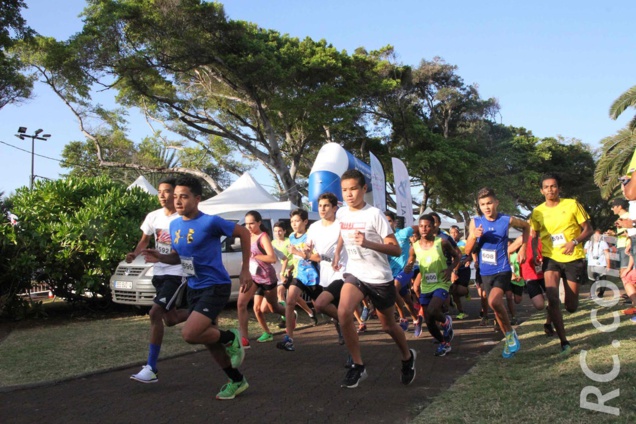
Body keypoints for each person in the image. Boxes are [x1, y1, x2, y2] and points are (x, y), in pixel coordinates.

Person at [142, 175, 252, 400]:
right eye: (175, 197)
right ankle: (237, 380)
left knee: (191, 333)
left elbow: (245, 233)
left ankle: (230, 338)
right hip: (194, 286)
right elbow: (179, 258)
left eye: (183, 196)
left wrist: (245, 269)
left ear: (197, 198)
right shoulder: (174, 225)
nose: (178, 201)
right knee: (206, 340)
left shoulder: (211, 222)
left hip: (215, 285)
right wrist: (161, 257)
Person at [333, 169, 416, 388]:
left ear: (364, 189)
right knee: (343, 312)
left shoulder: (374, 215)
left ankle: (407, 357)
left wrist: (368, 243)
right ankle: (358, 366)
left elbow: (396, 250)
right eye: (344, 190)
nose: (348, 194)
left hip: (380, 278)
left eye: (353, 189)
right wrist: (336, 253)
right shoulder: (342, 213)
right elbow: (343, 233)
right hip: (356, 273)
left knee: (388, 326)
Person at [127, 178, 189, 384]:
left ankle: (151, 368)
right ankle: (203, 312)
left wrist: (162, 257)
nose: (162, 195)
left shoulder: (183, 219)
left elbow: (182, 252)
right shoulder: (153, 216)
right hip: (159, 272)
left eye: (167, 191)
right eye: (160, 192)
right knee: (169, 319)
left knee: (155, 312)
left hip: (177, 272)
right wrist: (134, 254)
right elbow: (144, 240)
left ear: (175, 194)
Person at [529, 173, 592, 355]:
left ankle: (556, 316)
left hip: (573, 257)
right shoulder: (538, 211)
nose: (550, 189)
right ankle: (564, 341)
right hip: (551, 258)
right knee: (553, 298)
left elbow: (588, 229)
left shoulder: (572, 204)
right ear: (541, 191)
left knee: (571, 306)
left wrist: (574, 242)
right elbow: (534, 235)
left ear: (559, 188)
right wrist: (534, 253)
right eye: (546, 187)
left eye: (553, 186)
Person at [465, 187, 530, 359]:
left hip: (502, 269)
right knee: (495, 307)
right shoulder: (476, 222)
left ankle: (510, 335)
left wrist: (523, 248)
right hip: (485, 271)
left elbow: (527, 227)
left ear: (496, 202)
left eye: (489, 203)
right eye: (483, 204)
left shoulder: (506, 220)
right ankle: (510, 338)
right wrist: (473, 236)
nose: (486, 207)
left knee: (494, 301)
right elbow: (467, 249)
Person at [409, 214, 460, 356]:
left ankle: (446, 321)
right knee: (429, 320)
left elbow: (457, 256)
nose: (424, 229)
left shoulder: (442, 242)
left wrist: (451, 269)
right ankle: (444, 343)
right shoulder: (415, 246)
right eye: (421, 226)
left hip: (441, 282)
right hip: (426, 285)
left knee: (432, 309)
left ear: (433, 227)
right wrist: (408, 267)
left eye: (427, 226)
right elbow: (411, 260)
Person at [237, 211, 286, 347]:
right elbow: (245, 256)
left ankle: (290, 314)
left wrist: (255, 256)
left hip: (266, 277)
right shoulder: (245, 236)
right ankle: (244, 339)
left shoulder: (263, 237)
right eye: (246, 224)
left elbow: (272, 258)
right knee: (242, 304)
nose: (249, 226)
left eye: (252, 223)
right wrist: (245, 266)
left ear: (259, 223)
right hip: (252, 276)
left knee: (273, 307)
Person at [276, 208, 320, 352]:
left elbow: (316, 257)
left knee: (322, 306)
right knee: (290, 301)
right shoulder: (292, 237)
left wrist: (298, 252)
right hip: (299, 275)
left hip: (314, 277)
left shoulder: (310, 236)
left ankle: (340, 328)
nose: (294, 224)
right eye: (292, 221)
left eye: (297, 221)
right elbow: (294, 258)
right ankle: (289, 338)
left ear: (305, 222)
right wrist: (289, 268)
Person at [307, 192, 348, 345]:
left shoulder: (341, 224)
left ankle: (347, 326)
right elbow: (309, 249)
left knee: (320, 304)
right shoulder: (314, 227)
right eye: (320, 206)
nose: (322, 209)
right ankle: (345, 332)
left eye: (326, 206)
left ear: (335, 208)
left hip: (342, 271)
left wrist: (337, 253)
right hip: (325, 272)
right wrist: (305, 251)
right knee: (335, 312)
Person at [512, 233, 554, 336]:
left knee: (554, 301)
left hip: (545, 273)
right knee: (539, 305)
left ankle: (548, 323)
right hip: (530, 275)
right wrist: (512, 270)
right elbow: (508, 251)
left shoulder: (546, 237)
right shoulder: (523, 238)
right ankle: (550, 312)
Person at [384, 210, 420, 331]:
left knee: (394, 289)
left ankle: (403, 318)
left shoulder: (403, 233)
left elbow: (417, 227)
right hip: (391, 272)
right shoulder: (382, 238)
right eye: (384, 221)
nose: (387, 223)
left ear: (394, 222)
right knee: (406, 298)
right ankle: (415, 318)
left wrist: (418, 240)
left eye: (389, 221)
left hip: (406, 269)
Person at [449, 225, 472, 320]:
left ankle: (467, 291)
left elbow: (470, 255)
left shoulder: (464, 243)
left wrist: (466, 260)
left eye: (455, 232)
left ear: (459, 234)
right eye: (452, 233)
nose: (454, 234)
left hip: (463, 269)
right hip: (452, 269)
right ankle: (461, 312)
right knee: (453, 290)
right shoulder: (447, 243)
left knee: (460, 290)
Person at [584, 229, 610, 298]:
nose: (597, 237)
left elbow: (607, 254)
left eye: (598, 235)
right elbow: (584, 252)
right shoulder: (588, 243)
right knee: (591, 279)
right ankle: (592, 294)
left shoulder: (603, 243)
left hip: (601, 263)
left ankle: (601, 293)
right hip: (591, 263)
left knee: (602, 279)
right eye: (595, 235)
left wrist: (608, 265)